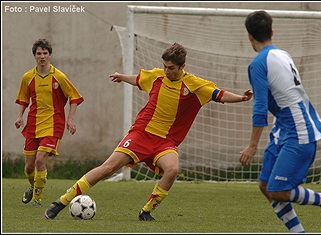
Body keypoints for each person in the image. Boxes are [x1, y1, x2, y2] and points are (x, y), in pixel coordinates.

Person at [44, 42, 253, 221]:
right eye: (165, 66)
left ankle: (146, 212)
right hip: (141, 134)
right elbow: (138, 79)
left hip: (165, 142)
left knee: (172, 170)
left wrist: (241, 98)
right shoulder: (156, 76)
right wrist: (121, 76)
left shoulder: (195, 85)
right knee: (108, 168)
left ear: (182, 67)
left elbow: (219, 94)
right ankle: (61, 202)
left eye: (171, 68)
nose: (167, 70)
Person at [239, 10, 321, 233]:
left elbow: (260, 108)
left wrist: (253, 145)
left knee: (278, 190)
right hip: (285, 128)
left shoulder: (258, 63)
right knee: (266, 186)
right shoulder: (282, 54)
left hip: (298, 131)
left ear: (249, 36)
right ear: (272, 32)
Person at [15, 39, 84, 207]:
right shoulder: (27, 77)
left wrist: (71, 118)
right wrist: (20, 116)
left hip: (54, 124)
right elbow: (23, 99)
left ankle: (37, 199)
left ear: (50, 55)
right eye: (39, 53)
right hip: (33, 124)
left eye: (45, 53)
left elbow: (74, 98)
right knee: (29, 168)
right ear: (34, 56)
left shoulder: (58, 76)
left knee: (40, 160)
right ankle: (33, 186)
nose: (42, 56)